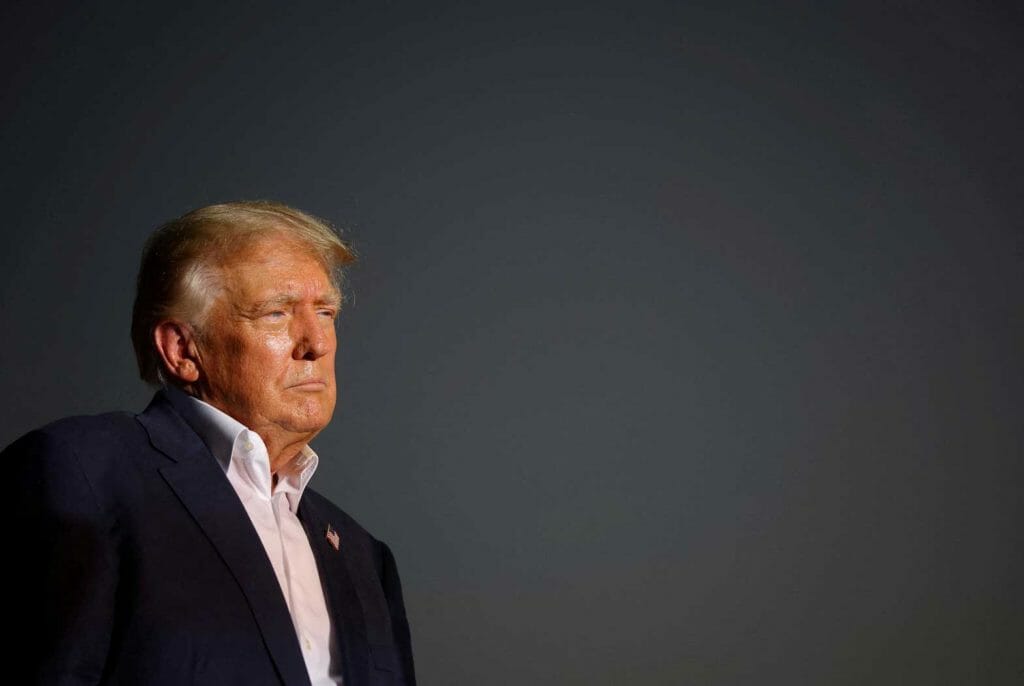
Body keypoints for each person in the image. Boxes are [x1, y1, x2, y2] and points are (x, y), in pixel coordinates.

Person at [5, 201, 416, 685]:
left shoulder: (363, 557)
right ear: (183, 350)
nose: (316, 343)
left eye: (326, 312)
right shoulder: (81, 474)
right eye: (276, 312)